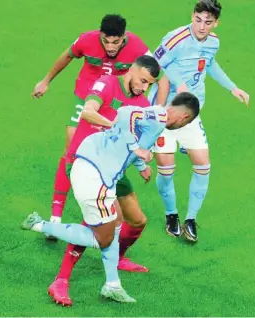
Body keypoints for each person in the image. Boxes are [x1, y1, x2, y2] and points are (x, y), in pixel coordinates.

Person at [21, 92, 200, 304]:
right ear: (183, 118)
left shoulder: (156, 119)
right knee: (101, 238)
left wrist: (141, 163)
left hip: (94, 168)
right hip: (95, 176)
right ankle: (40, 225)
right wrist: (137, 148)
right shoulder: (160, 116)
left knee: (115, 222)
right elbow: (125, 114)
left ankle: (112, 285)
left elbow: (124, 137)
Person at [31, 14, 166, 222]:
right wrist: (45, 81)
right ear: (100, 35)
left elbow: (158, 74)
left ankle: (100, 193)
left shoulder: (136, 45)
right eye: (106, 40)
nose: (110, 47)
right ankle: (56, 216)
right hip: (86, 97)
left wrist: (157, 110)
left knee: (110, 148)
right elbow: (67, 56)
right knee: (71, 151)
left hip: (112, 98)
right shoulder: (87, 39)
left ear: (124, 37)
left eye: (116, 42)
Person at [48, 55, 159, 307]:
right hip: (86, 163)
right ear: (132, 69)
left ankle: (116, 257)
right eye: (142, 80)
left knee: (138, 220)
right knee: (103, 222)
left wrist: (141, 164)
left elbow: (133, 139)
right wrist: (114, 127)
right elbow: (88, 112)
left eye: (150, 84)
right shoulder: (107, 83)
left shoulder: (141, 102)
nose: (144, 88)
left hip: (113, 170)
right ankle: (61, 280)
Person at [148, 0, 250, 242]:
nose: (202, 26)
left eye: (208, 22)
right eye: (198, 19)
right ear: (192, 16)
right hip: (167, 112)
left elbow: (210, 65)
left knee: (203, 165)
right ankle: (171, 214)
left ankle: (190, 219)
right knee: (166, 170)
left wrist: (232, 88)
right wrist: (179, 84)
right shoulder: (175, 38)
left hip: (192, 113)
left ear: (216, 23)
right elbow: (156, 63)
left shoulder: (213, 42)